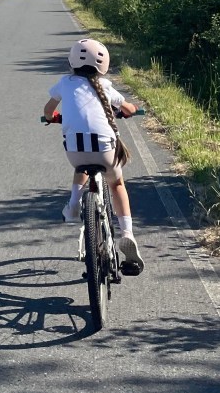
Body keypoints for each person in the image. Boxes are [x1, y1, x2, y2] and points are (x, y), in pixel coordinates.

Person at [42, 38, 144, 275]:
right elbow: (128, 109)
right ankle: (127, 234)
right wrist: (130, 111)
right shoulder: (105, 86)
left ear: (72, 61)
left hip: (74, 152)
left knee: (81, 168)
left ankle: (73, 203)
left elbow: (48, 111)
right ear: (103, 65)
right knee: (116, 183)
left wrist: (52, 117)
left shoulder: (64, 83)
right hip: (105, 150)